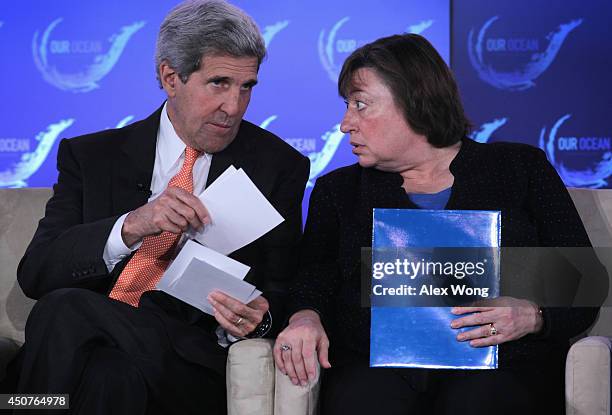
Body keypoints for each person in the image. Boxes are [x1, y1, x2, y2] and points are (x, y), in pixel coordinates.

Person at [7, 1, 309, 413]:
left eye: (247, 87)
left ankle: (28, 406)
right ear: (170, 77)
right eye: (219, 83)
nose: (234, 106)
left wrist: (261, 319)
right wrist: (130, 226)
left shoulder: (277, 166)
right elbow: (37, 272)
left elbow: (283, 288)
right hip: (98, 349)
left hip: (190, 357)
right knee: (108, 374)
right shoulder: (92, 157)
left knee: (63, 307)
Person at [274, 33, 600, 415]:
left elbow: (582, 282)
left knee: (478, 403)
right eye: (347, 105)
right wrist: (305, 317)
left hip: (500, 366)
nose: (346, 124)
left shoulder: (519, 168)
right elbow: (315, 277)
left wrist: (532, 315)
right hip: (377, 369)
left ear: (415, 102)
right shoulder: (338, 190)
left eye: (361, 105)